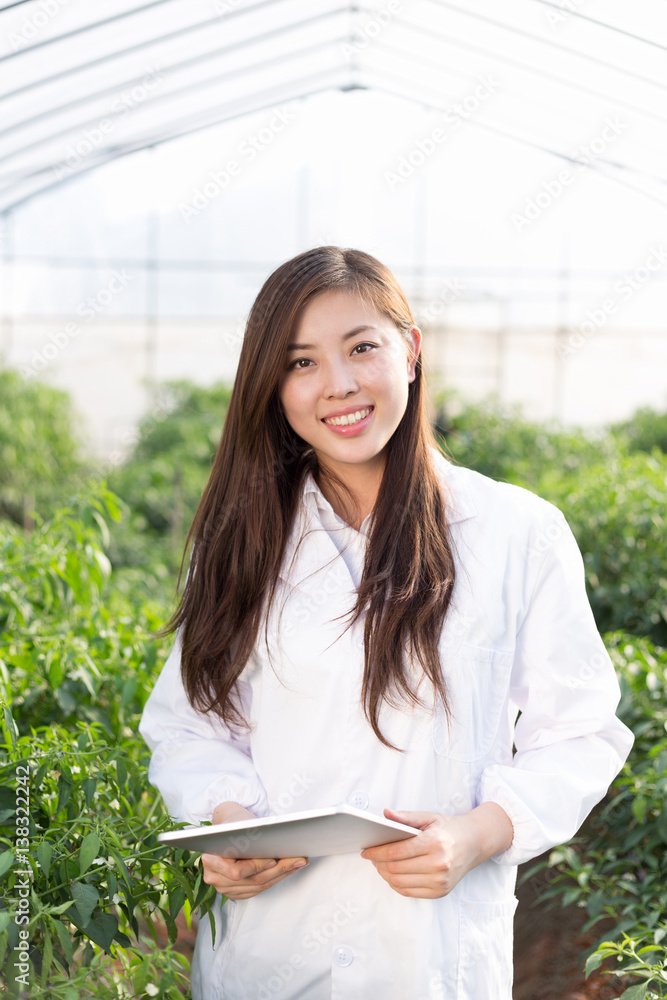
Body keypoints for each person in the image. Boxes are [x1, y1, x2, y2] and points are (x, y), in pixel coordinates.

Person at [138, 245, 634, 1000]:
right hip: (268, 957)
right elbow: (191, 725)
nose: (337, 385)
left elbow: (579, 732)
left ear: (410, 350)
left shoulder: (513, 531)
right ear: (271, 388)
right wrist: (229, 821)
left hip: (432, 959)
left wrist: (475, 836)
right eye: (299, 362)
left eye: (361, 347)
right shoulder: (240, 540)